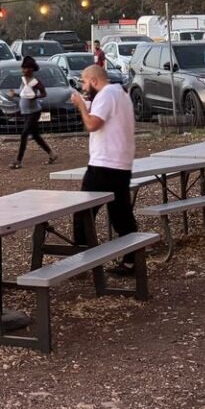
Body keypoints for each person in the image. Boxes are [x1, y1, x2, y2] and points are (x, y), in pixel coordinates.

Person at [69, 64, 137, 271]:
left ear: (94, 81)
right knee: (121, 214)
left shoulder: (106, 95)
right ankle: (131, 260)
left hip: (103, 164)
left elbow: (92, 124)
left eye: (84, 81)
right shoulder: (120, 94)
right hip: (121, 163)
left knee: (84, 214)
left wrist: (81, 105)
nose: (83, 86)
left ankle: (82, 261)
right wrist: (88, 105)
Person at [11, 56, 56, 169]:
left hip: (34, 112)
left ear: (31, 69)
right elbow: (24, 94)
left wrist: (35, 96)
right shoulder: (23, 80)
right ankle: (52, 154)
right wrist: (15, 94)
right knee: (35, 135)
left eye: (25, 68)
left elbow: (44, 94)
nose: (23, 70)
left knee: (24, 134)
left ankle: (19, 160)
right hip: (26, 112)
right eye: (23, 68)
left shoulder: (35, 82)